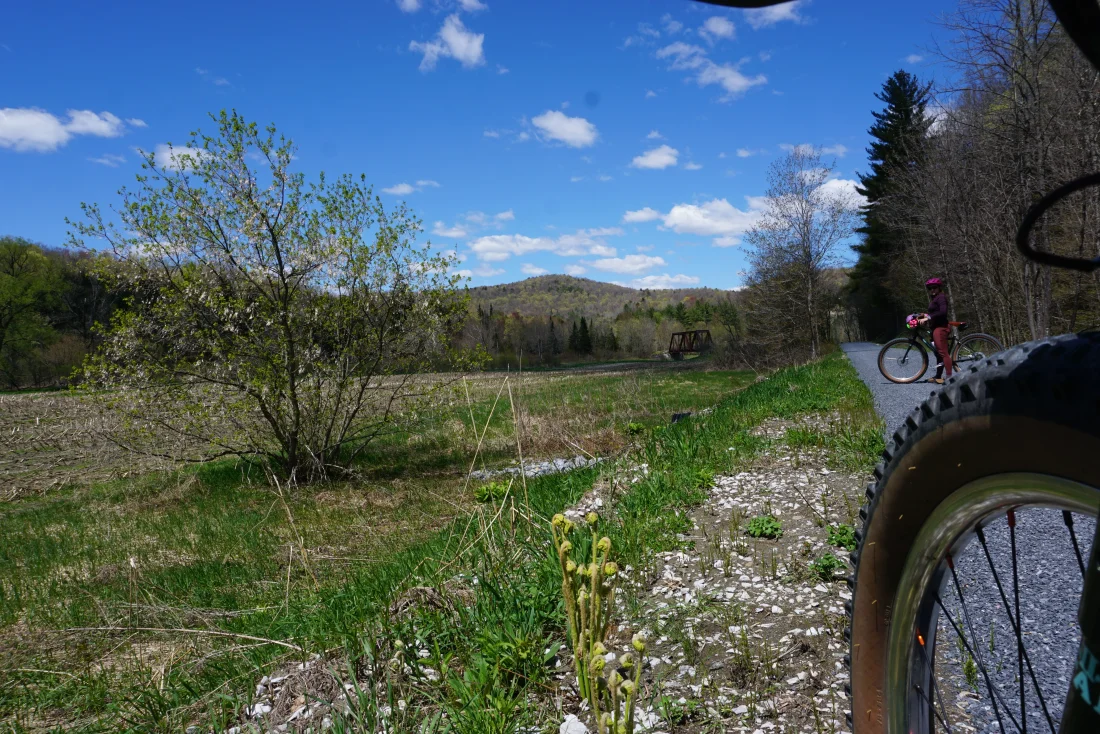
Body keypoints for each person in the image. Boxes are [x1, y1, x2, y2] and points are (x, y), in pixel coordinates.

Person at [918, 277, 951, 384]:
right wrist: (924, 315)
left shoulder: (941, 297)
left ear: (939, 288)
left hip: (941, 328)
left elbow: (943, 312)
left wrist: (928, 318)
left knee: (942, 352)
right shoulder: (935, 299)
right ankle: (938, 376)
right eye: (930, 288)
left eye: (934, 288)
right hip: (935, 327)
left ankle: (950, 377)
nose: (932, 290)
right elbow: (935, 313)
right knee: (938, 353)